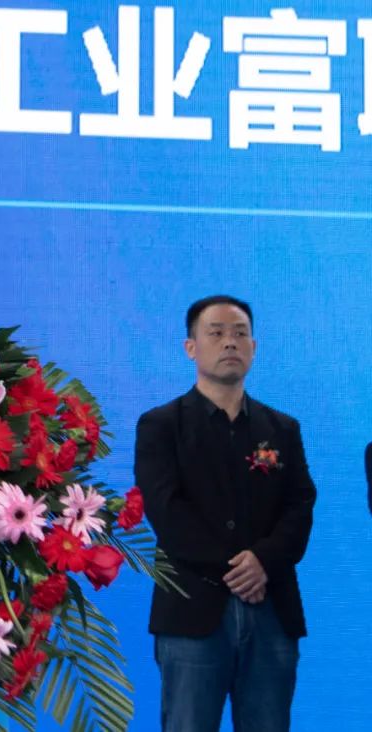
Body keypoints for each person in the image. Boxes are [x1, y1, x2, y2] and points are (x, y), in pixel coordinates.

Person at [134, 295, 316, 731]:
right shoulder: (161, 425)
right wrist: (238, 568)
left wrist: (263, 561)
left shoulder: (282, 429)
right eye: (216, 333)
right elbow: (166, 511)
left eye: (240, 334)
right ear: (190, 347)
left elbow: (300, 506)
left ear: (254, 347)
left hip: (272, 609)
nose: (229, 342)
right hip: (192, 612)